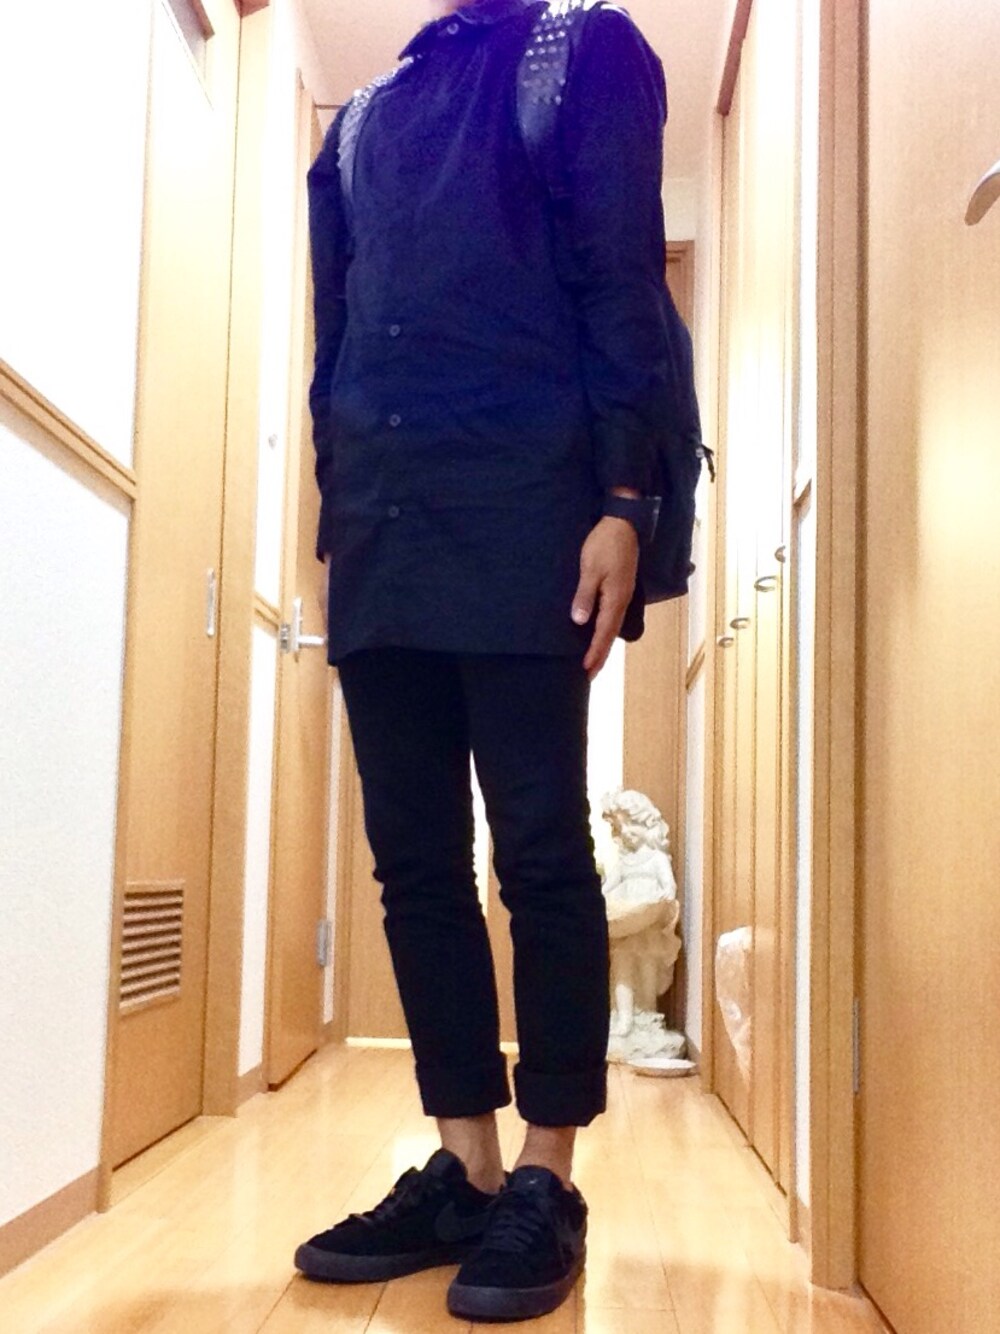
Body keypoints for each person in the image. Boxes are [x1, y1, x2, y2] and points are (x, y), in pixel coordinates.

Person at [294, 0, 671, 1321]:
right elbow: (336, 339)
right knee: (411, 861)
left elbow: (622, 285)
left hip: (527, 515)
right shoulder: (357, 126)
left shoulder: (578, 51)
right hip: (382, 529)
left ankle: (548, 1173)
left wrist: (625, 499)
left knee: (540, 849)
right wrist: (335, 512)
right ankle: (464, 1163)